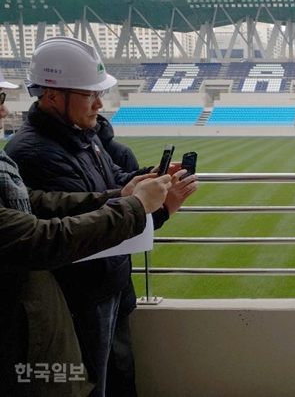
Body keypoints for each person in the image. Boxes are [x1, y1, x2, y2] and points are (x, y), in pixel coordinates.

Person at [5, 36, 199, 397]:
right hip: (80, 298)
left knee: (119, 376)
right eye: (89, 94)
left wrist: (150, 179)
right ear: (52, 96)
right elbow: (77, 231)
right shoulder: (33, 153)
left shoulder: (82, 134)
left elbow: (112, 185)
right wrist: (158, 210)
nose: (99, 104)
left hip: (108, 287)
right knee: (91, 384)